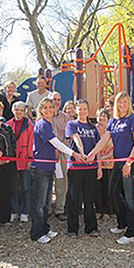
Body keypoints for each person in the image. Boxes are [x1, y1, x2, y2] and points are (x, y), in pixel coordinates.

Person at [88, 91, 134, 245]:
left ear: (129, 104)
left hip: (130, 163)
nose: (122, 105)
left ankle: (132, 232)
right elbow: (104, 140)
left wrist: (129, 163)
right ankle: (122, 222)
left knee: (130, 198)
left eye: (125, 102)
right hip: (118, 164)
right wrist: (92, 153)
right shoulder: (114, 121)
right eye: (120, 102)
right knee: (113, 192)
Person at [30, 98, 84, 244]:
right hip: (41, 167)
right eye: (45, 107)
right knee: (40, 202)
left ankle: (44, 228)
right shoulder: (42, 124)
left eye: (51, 107)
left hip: (49, 167)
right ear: (40, 109)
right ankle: (36, 232)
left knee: (46, 201)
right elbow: (56, 143)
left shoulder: (48, 124)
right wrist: (74, 154)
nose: (48, 110)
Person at [66, 99, 101, 237]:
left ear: (88, 110)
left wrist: (99, 167)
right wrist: (82, 153)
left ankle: (91, 227)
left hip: (91, 167)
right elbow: (76, 139)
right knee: (74, 198)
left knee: (89, 198)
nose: (82, 111)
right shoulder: (72, 124)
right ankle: (72, 229)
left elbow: (97, 147)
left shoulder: (93, 127)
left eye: (84, 108)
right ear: (76, 110)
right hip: (75, 167)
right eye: (79, 109)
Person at [7, 101, 34, 223]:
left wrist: (29, 158)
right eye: (16, 109)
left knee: (26, 188)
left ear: (25, 112)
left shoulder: (28, 124)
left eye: (21, 110)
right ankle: (13, 211)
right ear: (13, 110)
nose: (19, 112)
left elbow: (31, 142)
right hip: (12, 159)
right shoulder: (7, 124)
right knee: (12, 187)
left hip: (24, 158)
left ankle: (25, 212)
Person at [50, 92, 70, 221]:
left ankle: (59, 209)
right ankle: (46, 209)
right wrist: (52, 149)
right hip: (47, 155)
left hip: (62, 155)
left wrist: (59, 149)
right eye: (54, 99)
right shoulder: (44, 116)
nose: (57, 102)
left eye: (59, 99)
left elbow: (68, 137)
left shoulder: (65, 117)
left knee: (62, 183)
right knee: (46, 183)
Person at [95, 108, 113, 220]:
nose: (102, 118)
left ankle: (108, 210)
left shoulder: (111, 130)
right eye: (99, 116)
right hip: (96, 163)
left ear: (108, 119)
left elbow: (115, 146)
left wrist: (104, 157)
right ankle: (98, 209)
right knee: (97, 187)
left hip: (109, 162)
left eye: (104, 116)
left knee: (108, 187)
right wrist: (98, 158)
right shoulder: (93, 129)